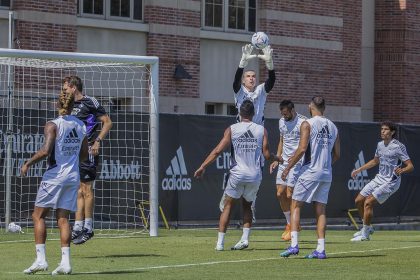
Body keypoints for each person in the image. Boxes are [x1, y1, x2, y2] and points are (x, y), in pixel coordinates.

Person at [194, 100, 279, 251]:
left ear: (239, 113)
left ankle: (220, 243)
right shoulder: (261, 130)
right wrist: (276, 158)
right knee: (247, 206)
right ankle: (244, 239)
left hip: (237, 174)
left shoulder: (232, 129)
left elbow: (217, 151)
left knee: (227, 206)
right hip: (255, 176)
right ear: (253, 114)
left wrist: (202, 166)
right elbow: (266, 155)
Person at [22, 90, 88, 275]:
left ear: (57, 105)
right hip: (73, 176)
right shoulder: (81, 125)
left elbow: (45, 151)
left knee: (38, 216)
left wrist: (27, 163)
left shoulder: (53, 125)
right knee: (63, 218)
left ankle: (41, 260)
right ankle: (65, 263)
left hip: (54, 176)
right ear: (73, 106)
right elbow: (84, 155)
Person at [279, 96, 340, 259]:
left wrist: (287, 168)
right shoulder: (333, 127)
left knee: (295, 205)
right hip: (326, 174)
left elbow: (302, 148)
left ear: (310, 106)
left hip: (310, 172)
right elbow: (337, 154)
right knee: (320, 210)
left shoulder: (307, 123)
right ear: (324, 107)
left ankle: (294, 246)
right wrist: (324, 166)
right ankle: (320, 249)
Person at [62, 76, 113, 245]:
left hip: (89, 149)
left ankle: (89, 227)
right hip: (74, 152)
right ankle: (78, 226)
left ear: (74, 87)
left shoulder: (90, 102)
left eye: (66, 88)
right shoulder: (68, 105)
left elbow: (107, 122)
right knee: (77, 189)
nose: (64, 91)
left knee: (87, 189)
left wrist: (97, 141)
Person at [232, 43, 276, 222]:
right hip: (241, 133)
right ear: (244, 80)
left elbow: (271, 82)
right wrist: (242, 62)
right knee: (237, 168)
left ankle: (252, 203)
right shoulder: (239, 91)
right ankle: (232, 197)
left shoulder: (260, 90)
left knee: (257, 170)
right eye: (248, 76)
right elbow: (235, 81)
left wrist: (270, 65)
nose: (251, 78)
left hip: (257, 132)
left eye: (253, 76)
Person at [350, 122, 414, 242]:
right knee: (358, 200)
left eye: (385, 129)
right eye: (381, 129)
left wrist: (403, 170)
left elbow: (410, 166)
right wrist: (358, 170)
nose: (382, 131)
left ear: (392, 132)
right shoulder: (380, 145)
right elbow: (375, 161)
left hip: (391, 182)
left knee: (368, 202)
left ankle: (365, 235)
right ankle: (367, 227)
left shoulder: (398, 146)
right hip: (379, 178)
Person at [269, 100, 306, 241]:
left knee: (290, 195)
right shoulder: (281, 122)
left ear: (292, 110)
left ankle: (294, 225)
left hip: (297, 163)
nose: (284, 116)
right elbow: (282, 140)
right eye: (282, 114)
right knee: (280, 193)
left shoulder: (303, 122)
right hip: (283, 162)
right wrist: (277, 159)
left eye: (286, 114)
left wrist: (296, 156)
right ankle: (290, 223)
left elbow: (306, 144)